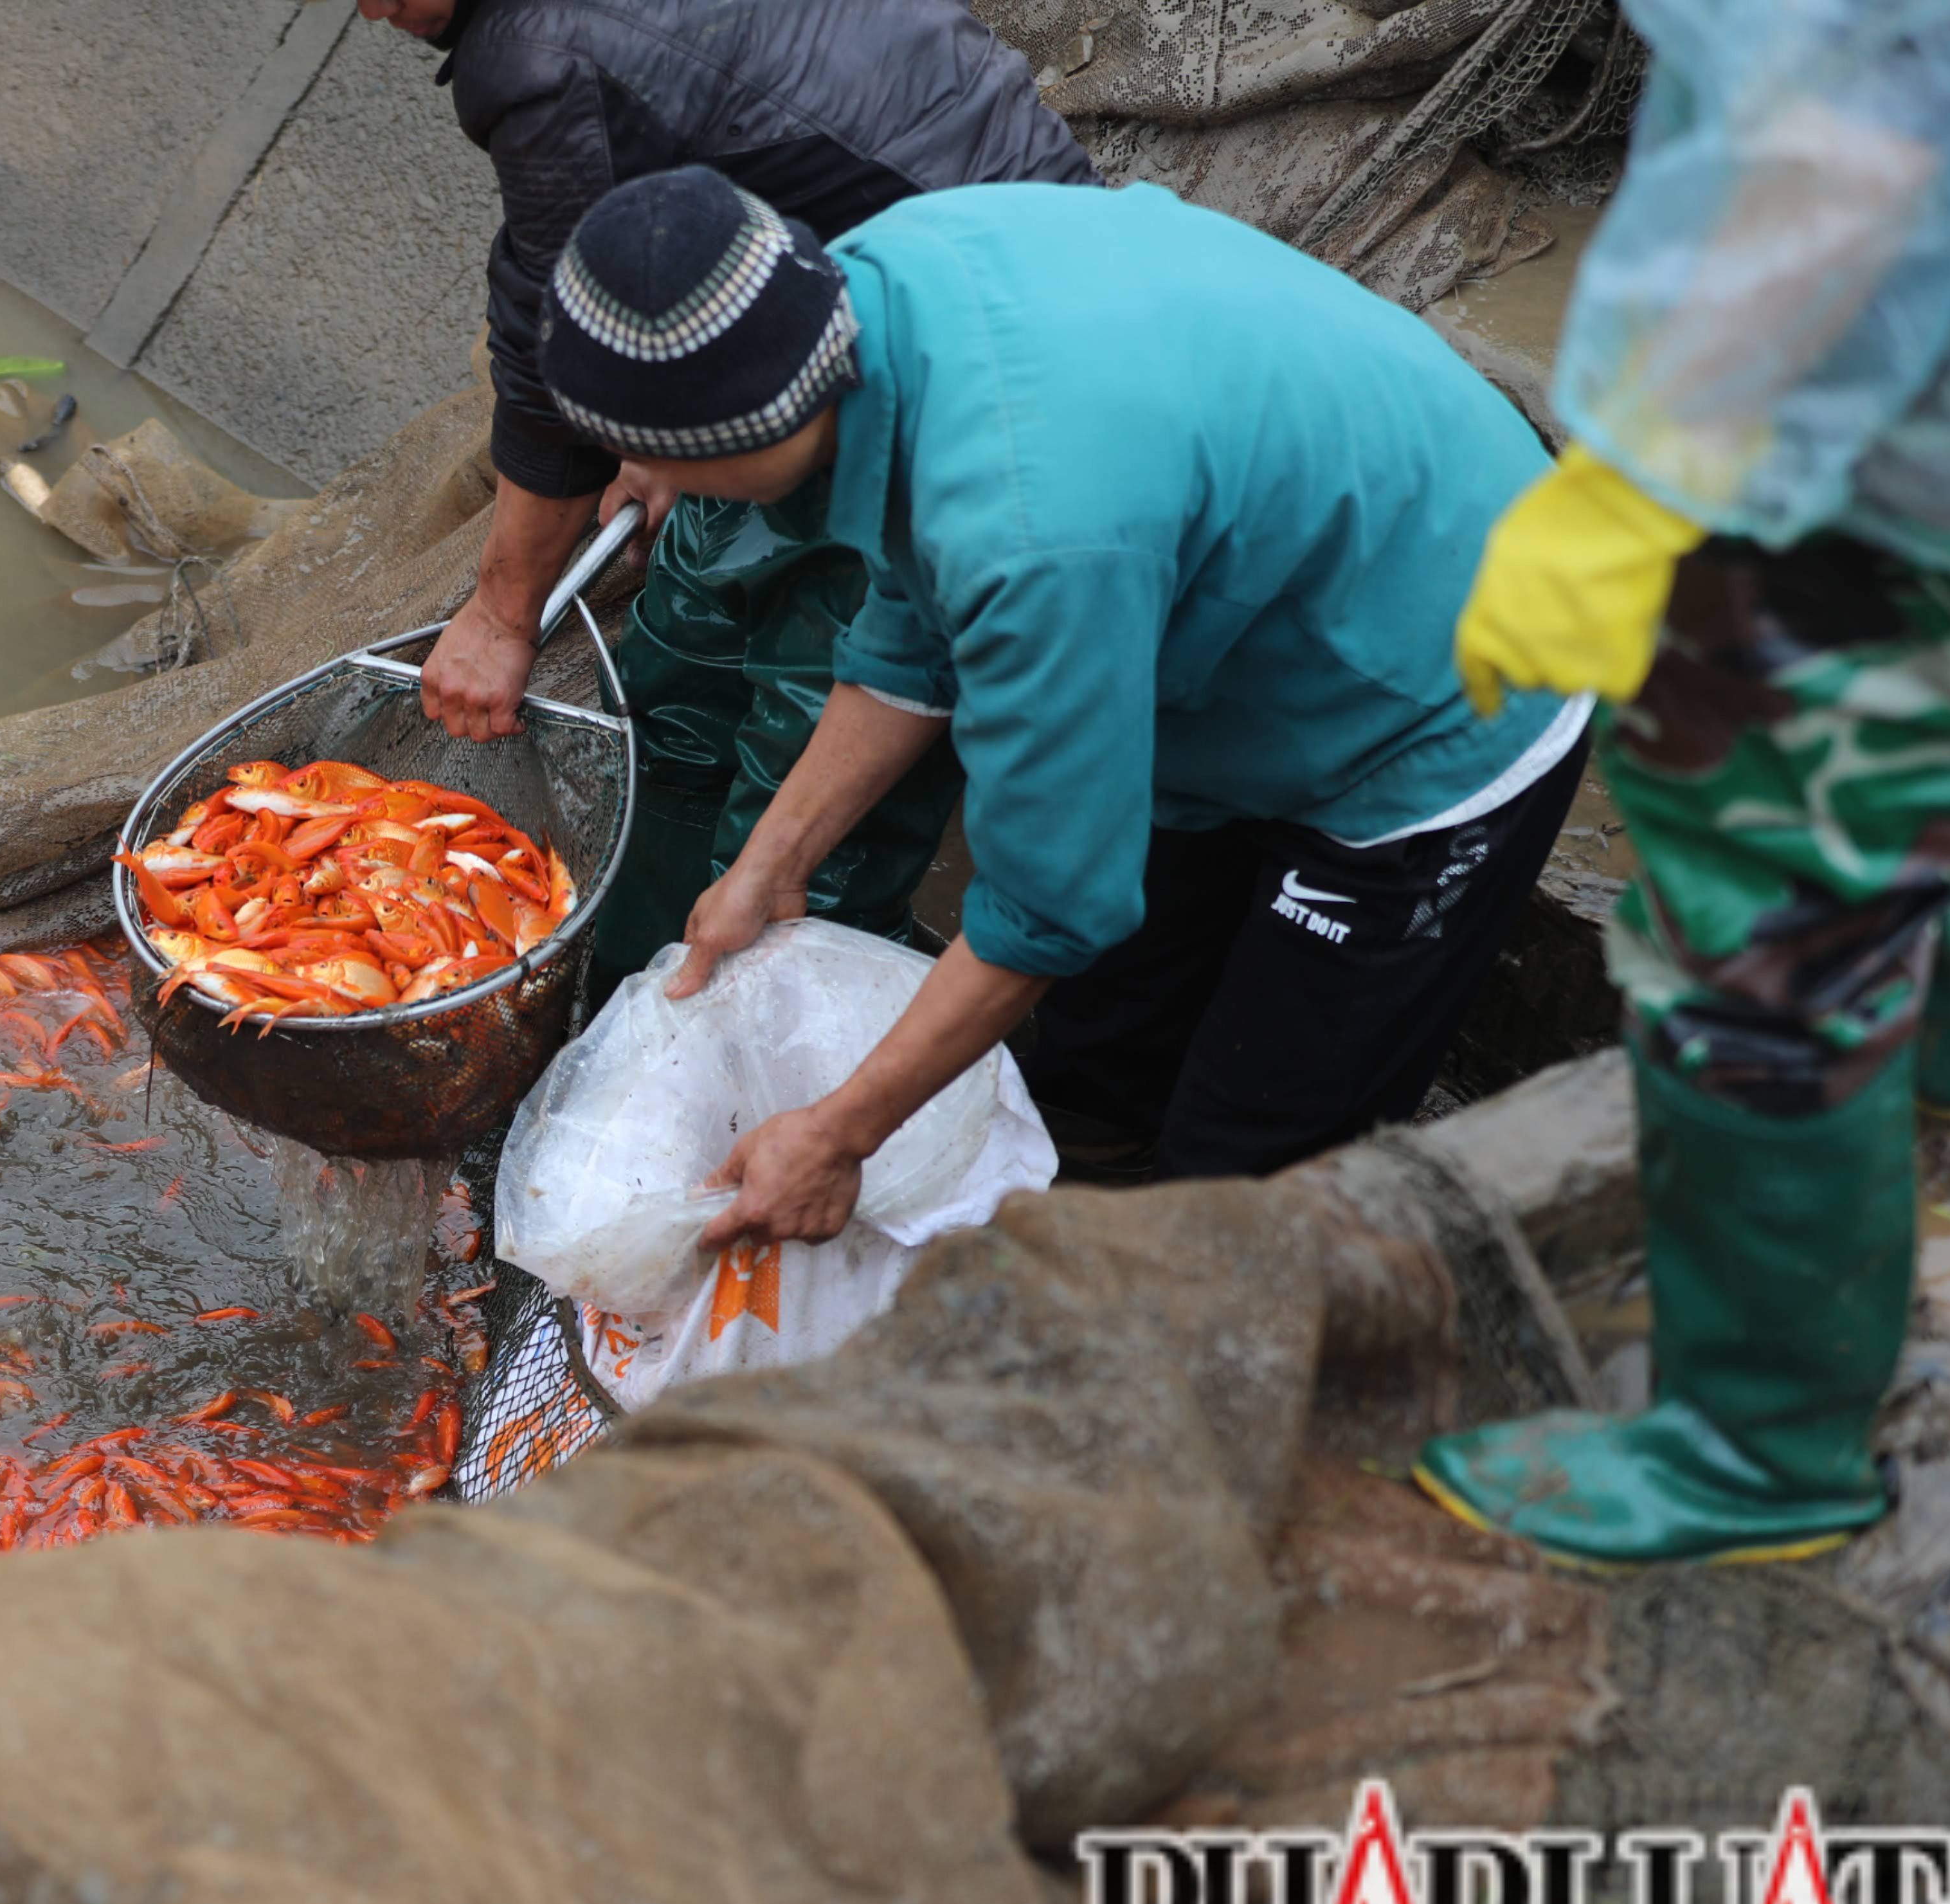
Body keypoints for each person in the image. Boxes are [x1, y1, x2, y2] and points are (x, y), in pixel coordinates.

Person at [528, 165, 1591, 1224]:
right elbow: (911, 621)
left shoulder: (1030, 532)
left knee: (1253, 1163)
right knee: (1104, 1040)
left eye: (653, 455)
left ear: (745, 438)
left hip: (1446, 674)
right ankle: (1087, 1173)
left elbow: (1049, 908)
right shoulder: (871, 291)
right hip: (1242, 594)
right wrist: (772, 864)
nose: (645, 477)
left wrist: (837, 1135)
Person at [1413, 0, 1950, 1566]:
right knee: (1889, 794)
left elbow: (1853, 118)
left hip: (1881, 457)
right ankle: (1944, 1048)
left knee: (1758, 933)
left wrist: (1636, 481)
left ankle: (1762, 1449)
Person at [348, 0, 1094, 984]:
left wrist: (501, 612)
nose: (364, 11)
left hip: (981, 357)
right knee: (676, 680)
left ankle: (751, 1017)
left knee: (815, 778)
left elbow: (541, 343)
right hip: (857, 279)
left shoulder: (536, 53)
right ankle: (627, 986)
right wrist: (669, 420)